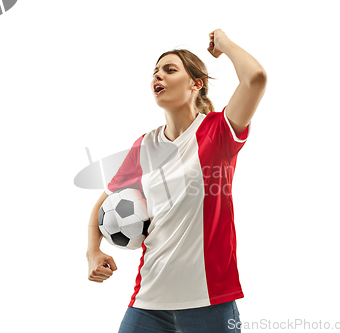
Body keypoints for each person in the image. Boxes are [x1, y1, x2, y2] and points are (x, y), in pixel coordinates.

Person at [86, 28, 267, 333]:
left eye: (170, 70)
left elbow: (255, 78)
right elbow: (104, 203)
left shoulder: (218, 132)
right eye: (155, 71)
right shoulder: (145, 146)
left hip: (209, 304)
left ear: (197, 84)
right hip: (147, 305)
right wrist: (93, 252)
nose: (159, 76)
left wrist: (223, 43)